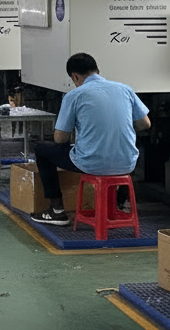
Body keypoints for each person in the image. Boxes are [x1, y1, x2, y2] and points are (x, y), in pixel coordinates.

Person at [31, 52, 151, 226]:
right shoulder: (125, 89)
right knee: (126, 145)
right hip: (127, 164)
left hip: (91, 163)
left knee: (41, 149)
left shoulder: (74, 95)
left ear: (75, 77)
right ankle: (118, 204)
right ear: (97, 70)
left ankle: (56, 211)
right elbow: (145, 124)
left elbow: (60, 138)